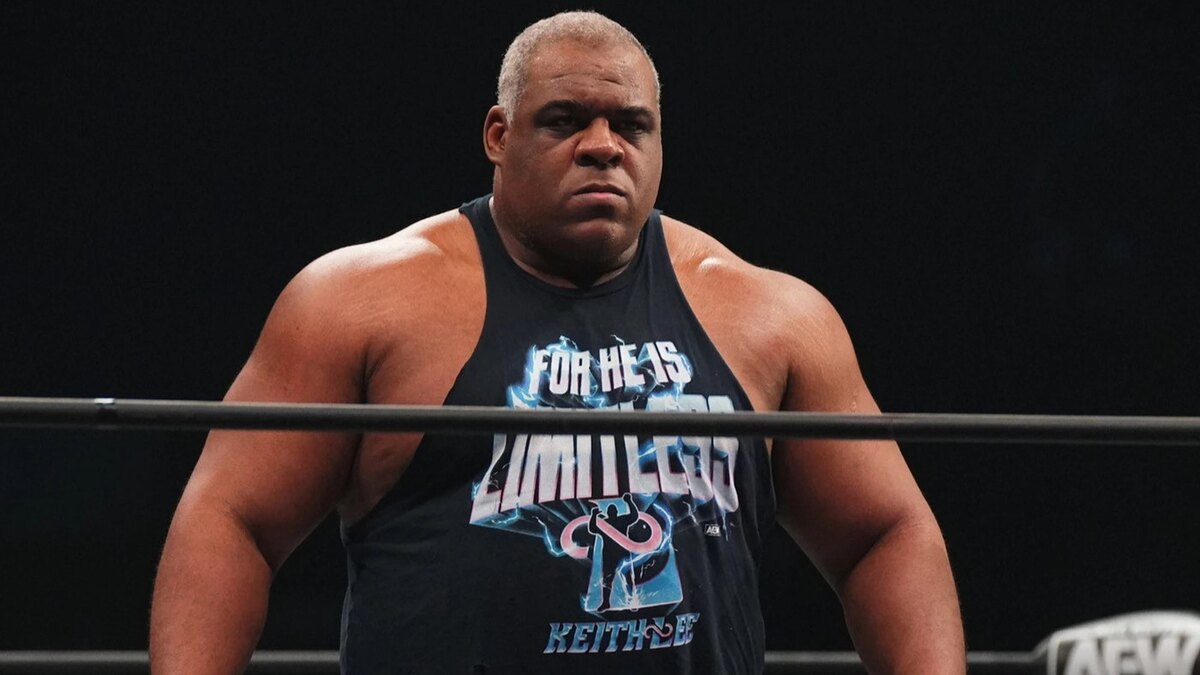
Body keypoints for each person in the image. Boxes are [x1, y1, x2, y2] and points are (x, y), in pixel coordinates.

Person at [150, 10, 964, 674]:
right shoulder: (361, 302)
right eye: (566, 120)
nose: (603, 145)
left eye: (631, 124)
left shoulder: (769, 314)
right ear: (498, 135)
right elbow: (232, 517)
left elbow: (884, 532)